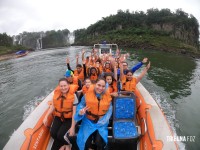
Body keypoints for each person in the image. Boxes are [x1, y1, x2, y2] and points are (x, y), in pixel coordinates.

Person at [74, 77, 113, 150]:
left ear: (105, 87)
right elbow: (81, 106)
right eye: (99, 85)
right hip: (88, 121)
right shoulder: (86, 95)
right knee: (85, 142)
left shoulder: (108, 97)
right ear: (95, 84)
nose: (100, 88)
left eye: (103, 86)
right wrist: (80, 112)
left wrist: (104, 120)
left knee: (100, 142)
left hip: (102, 123)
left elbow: (109, 110)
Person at [43, 78, 78, 150]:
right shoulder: (56, 94)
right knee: (53, 133)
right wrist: (46, 116)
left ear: (68, 85)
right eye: (61, 86)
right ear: (59, 86)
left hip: (69, 118)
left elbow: (75, 112)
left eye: (65, 85)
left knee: (60, 135)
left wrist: (72, 127)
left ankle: (67, 144)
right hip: (59, 116)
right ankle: (63, 144)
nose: (63, 88)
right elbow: (53, 106)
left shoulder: (73, 96)